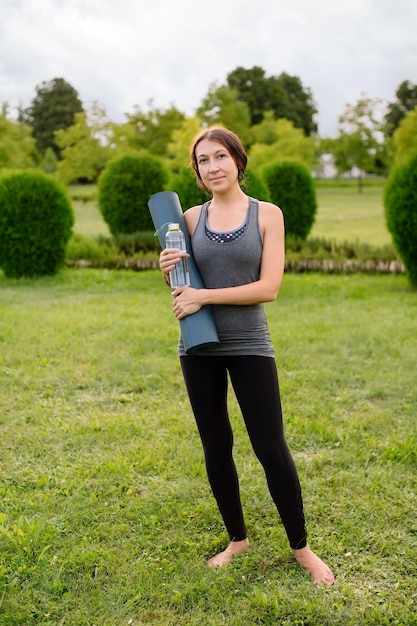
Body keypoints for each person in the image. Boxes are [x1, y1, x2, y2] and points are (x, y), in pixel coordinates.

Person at [159, 126, 334, 585]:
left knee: (271, 448)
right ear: (196, 171)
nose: (212, 166)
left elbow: (268, 288)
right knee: (216, 446)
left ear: (238, 160)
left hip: (250, 343)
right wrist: (169, 273)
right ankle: (237, 538)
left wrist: (203, 296)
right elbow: (185, 290)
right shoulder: (190, 220)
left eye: (220, 156)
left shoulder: (267, 215)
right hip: (198, 347)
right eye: (203, 161)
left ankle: (302, 548)